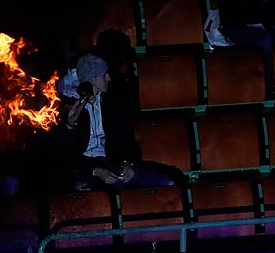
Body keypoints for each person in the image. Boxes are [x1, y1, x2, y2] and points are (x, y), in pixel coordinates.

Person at [58, 54, 182, 190]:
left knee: (167, 181)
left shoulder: (113, 102)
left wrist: (128, 163)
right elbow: (66, 154)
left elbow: (126, 140)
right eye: (104, 75)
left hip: (112, 162)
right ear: (93, 79)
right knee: (92, 188)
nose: (109, 78)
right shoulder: (69, 105)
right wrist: (70, 125)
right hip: (85, 167)